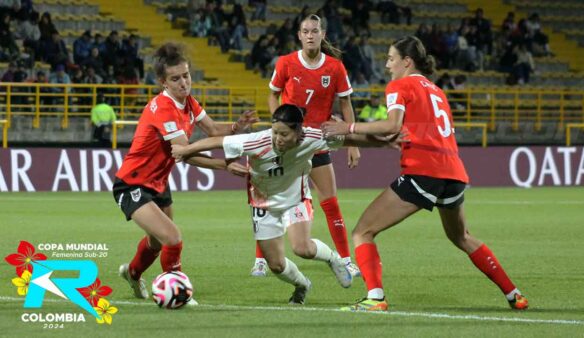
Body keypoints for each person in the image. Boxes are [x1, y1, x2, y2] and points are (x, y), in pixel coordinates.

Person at [322, 36, 529, 312]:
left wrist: (347, 129)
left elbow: (392, 125)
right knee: (462, 237)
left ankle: (375, 297)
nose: (387, 65)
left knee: (363, 231)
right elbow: (402, 134)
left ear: (407, 61)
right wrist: (356, 139)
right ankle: (514, 294)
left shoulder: (400, 85)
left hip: (423, 171)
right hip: (454, 173)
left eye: (391, 58)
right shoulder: (437, 91)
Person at [172, 104, 398, 304]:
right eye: (275, 132)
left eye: (284, 134)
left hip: (295, 199)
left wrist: (387, 141)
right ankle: (302, 285)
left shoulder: (312, 137)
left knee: (303, 248)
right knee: (276, 265)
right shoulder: (256, 141)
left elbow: (352, 139)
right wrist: (184, 150)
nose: (278, 138)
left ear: (298, 132)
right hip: (262, 203)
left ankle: (333, 258)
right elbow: (216, 142)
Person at [113, 42, 257, 302]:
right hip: (132, 184)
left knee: (156, 242)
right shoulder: (163, 108)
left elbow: (213, 131)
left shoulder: (188, 102)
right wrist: (224, 165)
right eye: (175, 78)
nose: (183, 83)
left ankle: (133, 274)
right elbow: (184, 152)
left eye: (186, 75)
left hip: (158, 182)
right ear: (163, 82)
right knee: (173, 238)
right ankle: (178, 292)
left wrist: (237, 126)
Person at [258, 13, 361, 278]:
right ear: (300, 35)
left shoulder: (335, 67)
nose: (310, 35)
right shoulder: (286, 63)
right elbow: (272, 93)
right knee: (271, 198)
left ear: (323, 34)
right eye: (306, 31)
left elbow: (346, 103)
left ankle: (346, 259)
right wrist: (278, 126)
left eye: (315, 31)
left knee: (330, 201)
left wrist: (352, 143)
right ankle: (260, 258)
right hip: (289, 144)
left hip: (317, 143)